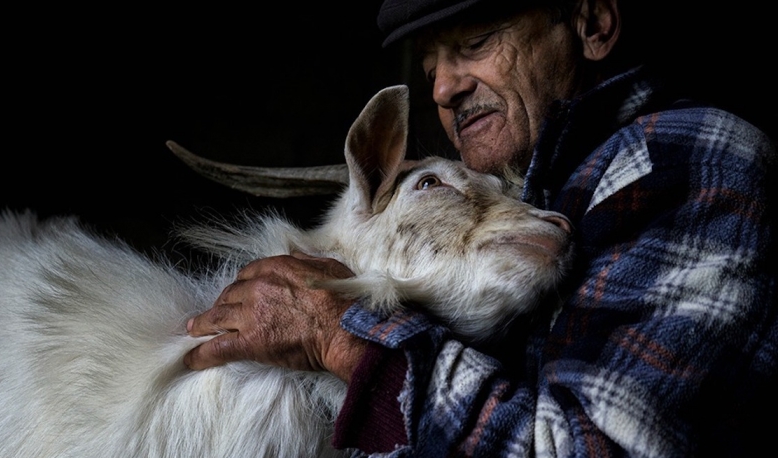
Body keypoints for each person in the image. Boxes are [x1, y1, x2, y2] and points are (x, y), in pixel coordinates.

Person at [183, 0, 778, 455]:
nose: (443, 88)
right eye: (431, 66)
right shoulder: (552, 195)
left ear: (591, 22)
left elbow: (593, 448)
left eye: (476, 41)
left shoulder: (681, 156)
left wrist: (346, 344)